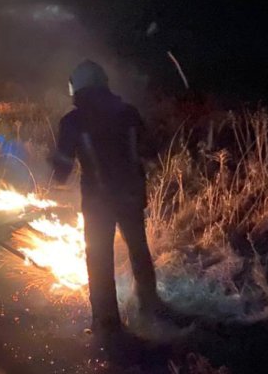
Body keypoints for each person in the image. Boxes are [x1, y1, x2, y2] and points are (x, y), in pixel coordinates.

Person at [50, 60, 188, 339]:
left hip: (98, 201)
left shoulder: (72, 121)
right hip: (131, 194)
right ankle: (151, 304)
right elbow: (150, 150)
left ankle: (108, 322)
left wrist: (55, 165)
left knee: (99, 257)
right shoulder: (128, 113)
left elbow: (61, 171)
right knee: (138, 249)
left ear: (76, 87)